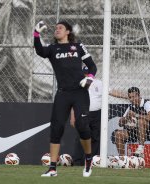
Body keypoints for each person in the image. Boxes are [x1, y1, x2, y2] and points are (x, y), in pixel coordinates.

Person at [34, 20, 97, 177]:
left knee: (82, 126)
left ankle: (88, 158)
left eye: (60, 28)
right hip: (63, 93)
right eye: (55, 29)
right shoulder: (53, 49)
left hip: (80, 92)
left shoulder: (78, 46)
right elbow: (40, 51)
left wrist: (89, 78)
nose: (57, 30)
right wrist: (36, 33)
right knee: (56, 129)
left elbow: (92, 67)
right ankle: (53, 168)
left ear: (68, 31)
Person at [112, 87, 150, 157]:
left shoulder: (147, 103)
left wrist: (136, 115)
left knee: (141, 121)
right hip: (136, 132)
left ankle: (141, 148)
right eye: (130, 97)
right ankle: (122, 158)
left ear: (138, 95)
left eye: (133, 97)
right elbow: (120, 124)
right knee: (118, 134)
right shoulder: (131, 107)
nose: (131, 99)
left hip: (149, 132)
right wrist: (126, 118)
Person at [70, 66, 102, 158]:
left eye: (88, 73)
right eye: (85, 74)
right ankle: (78, 161)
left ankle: (94, 160)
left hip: (96, 113)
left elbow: (111, 91)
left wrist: (124, 96)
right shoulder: (79, 83)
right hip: (83, 112)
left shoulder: (99, 83)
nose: (86, 75)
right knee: (81, 136)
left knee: (95, 137)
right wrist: (73, 116)